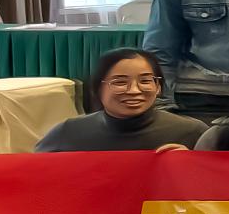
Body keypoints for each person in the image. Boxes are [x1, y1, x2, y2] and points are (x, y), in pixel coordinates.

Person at [35, 48, 207, 151]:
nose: (134, 90)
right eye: (120, 82)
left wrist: (190, 163)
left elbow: (214, 183)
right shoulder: (67, 133)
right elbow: (37, 176)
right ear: (97, 88)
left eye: (145, 81)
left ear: (158, 87)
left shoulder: (192, 132)